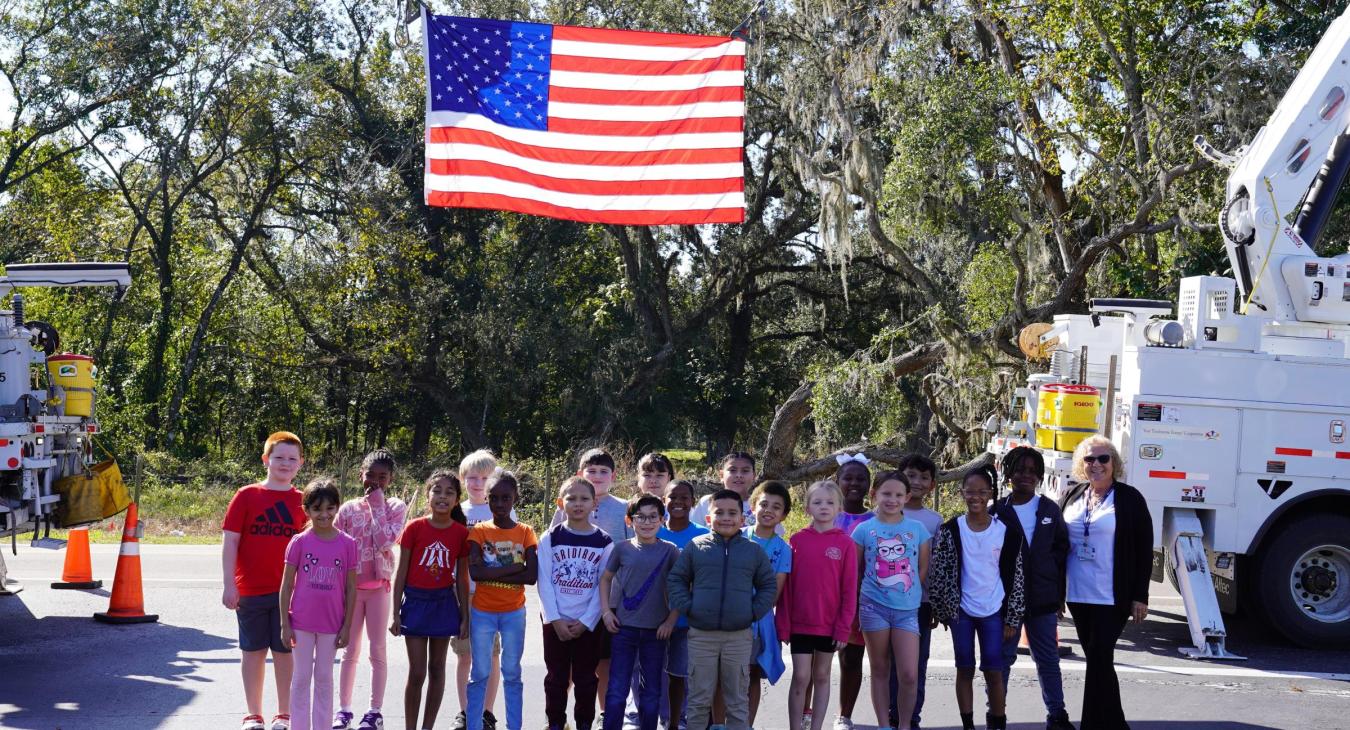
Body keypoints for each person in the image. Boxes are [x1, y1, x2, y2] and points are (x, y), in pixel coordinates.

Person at [1059, 435, 1152, 730]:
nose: (1096, 464)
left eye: (1103, 458)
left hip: (1113, 596)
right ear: (1080, 464)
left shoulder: (1130, 499)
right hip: (1077, 594)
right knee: (1098, 662)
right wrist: (1055, 591)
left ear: (1114, 463)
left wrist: (1140, 595)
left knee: (1099, 656)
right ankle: (1113, 724)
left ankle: (1094, 725)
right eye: (1089, 459)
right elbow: (1059, 546)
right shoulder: (1072, 496)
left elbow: (1143, 549)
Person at [667, 489, 777, 730]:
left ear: (742, 518)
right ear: (708, 518)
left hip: (738, 637)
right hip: (701, 636)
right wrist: (689, 608)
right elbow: (676, 580)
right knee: (698, 700)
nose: (725, 518)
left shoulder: (753, 551)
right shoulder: (696, 547)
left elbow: (768, 585)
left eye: (732, 513)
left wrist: (752, 613)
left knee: (737, 701)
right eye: (719, 513)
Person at [222, 431, 309, 730]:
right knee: (253, 652)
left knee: (285, 653)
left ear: (301, 463)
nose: (285, 463)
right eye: (279, 457)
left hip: (292, 594)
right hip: (250, 590)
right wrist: (229, 584)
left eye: (292, 459)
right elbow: (230, 541)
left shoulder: (304, 501)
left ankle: (284, 714)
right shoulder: (247, 495)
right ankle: (253, 714)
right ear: (266, 460)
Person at [929, 466, 1025, 730]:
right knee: (965, 668)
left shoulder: (1006, 533)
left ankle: (997, 721)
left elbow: (1016, 578)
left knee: (994, 670)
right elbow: (940, 571)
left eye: (982, 492)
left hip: (994, 610)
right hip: (962, 611)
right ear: (961, 493)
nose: (976, 497)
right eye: (970, 491)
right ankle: (968, 724)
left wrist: (1012, 617)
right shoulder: (951, 530)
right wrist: (943, 608)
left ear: (991, 494)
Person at [549, 448, 635, 718]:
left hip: (608, 603)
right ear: (579, 474)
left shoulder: (623, 508)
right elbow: (551, 554)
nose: (597, 477)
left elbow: (633, 550)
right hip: (568, 602)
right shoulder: (564, 508)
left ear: (614, 476)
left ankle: (601, 714)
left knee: (601, 662)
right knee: (565, 668)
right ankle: (558, 717)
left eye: (603, 472)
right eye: (591, 471)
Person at [994, 447, 1073, 730]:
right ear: (1008, 474)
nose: (1025, 475)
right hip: (1006, 603)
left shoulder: (1049, 509)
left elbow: (1062, 554)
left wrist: (1059, 595)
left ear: (1039, 476)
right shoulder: (997, 511)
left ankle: (1057, 715)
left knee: (1048, 660)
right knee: (1002, 660)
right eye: (1019, 470)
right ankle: (997, 715)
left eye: (1031, 471)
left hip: (1042, 599)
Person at [334, 449, 408, 730]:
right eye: (370, 475)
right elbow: (336, 545)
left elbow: (385, 542)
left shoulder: (395, 507)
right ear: (360, 475)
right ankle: (343, 710)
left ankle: (374, 711)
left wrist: (377, 505)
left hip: (379, 589)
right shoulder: (348, 508)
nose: (375, 482)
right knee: (349, 649)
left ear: (390, 479)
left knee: (377, 650)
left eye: (382, 477)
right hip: (351, 590)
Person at [390, 471, 471, 730]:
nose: (442, 497)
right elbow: (400, 572)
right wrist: (395, 613)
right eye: (437, 490)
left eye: (449, 492)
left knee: (437, 669)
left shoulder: (460, 533)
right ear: (428, 495)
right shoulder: (414, 527)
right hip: (415, 604)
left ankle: (427, 727)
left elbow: (461, 579)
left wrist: (464, 616)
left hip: (443, 605)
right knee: (417, 672)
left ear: (457, 500)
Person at [853, 471, 930, 730]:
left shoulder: (917, 530)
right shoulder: (863, 530)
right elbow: (856, 570)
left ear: (907, 497)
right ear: (874, 494)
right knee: (880, 669)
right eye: (886, 493)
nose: (892, 499)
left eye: (898, 495)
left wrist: (907, 592)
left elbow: (921, 569)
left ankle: (905, 724)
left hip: (908, 610)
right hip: (873, 607)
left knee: (909, 674)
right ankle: (885, 725)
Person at [279, 479, 358, 730]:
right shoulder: (299, 542)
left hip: (331, 625)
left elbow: (351, 588)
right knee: (301, 679)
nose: (324, 515)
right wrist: (284, 624)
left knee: (324, 678)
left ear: (337, 508)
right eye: (317, 509)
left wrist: (347, 627)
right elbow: (286, 585)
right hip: (300, 623)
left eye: (330, 508)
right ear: (307, 510)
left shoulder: (348, 544)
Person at [779, 480, 858, 730]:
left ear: (839, 508)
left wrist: (843, 628)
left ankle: (816, 726)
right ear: (807, 508)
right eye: (817, 502)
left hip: (829, 626)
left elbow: (849, 590)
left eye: (830, 502)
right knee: (801, 676)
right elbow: (787, 588)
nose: (824, 507)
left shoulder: (845, 543)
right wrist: (783, 624)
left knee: (822, 676)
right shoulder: (796, 541)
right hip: (800, 625)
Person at [538, 477, 615, 730]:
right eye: (571, 498)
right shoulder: (550, 538)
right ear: (561, 503)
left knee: (585, 678)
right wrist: (555, 619)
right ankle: (556, 722)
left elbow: (603, 585)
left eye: (584, 499)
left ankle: (584, 722)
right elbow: (544, 581)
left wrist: (585, 621)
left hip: (587, 623)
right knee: (556, 678)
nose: (578, 504)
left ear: (595, 504)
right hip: (555, 621)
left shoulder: (604, 542)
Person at [600, 494, 680, 730]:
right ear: (629, 521)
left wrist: (671, 620)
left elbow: (682, 588)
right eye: (640, 517)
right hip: (623, 630)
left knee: (652, 691)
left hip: (656, 633)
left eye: (652, 517)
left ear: (662, 520)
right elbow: (605, 580)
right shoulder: (622, 549)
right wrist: (606, 612)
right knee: (617, 689)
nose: (646, 522)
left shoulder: (670, 551)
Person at [467, 472, 538, 730]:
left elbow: (531, 576)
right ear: (486, 499)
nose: (499, 504)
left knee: (512, 672)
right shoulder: (478, 531)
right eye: (493, 498)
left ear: (515, 498)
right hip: (483, 612)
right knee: (479, 673)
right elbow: (476, 573)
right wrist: (514, 570)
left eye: (505, 498)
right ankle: (473, 725)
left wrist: (493, 573)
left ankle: (514, 725)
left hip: (513, 613)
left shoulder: (526, 532)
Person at [811, 454, 872, 730]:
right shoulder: (825, 515)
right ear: (837, 482)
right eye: (848, 478)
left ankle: (843, 715)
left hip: (857, 601)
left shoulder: (875, 520)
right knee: (814, 660)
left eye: (861, 478)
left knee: (850, 659)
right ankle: (806, 711)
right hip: (822, 599)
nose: (854, 483)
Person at [456, 450, 509, 730]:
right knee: (465, 655)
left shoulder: (503, 512)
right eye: (472, 478)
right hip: (463, 595)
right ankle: (466, 714)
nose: (478, 483)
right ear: (463, 479)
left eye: (485, 478)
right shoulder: (457, 511)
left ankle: (486, 713)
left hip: (493, 595)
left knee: (490, 656)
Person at [657, 480, 709, 730]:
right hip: (654, 616)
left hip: (689, 618)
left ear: (693, 501)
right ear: (663, 500)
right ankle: (663, 717)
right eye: (672, 497)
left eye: (684, 497)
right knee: (656, 673)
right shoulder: (653, 530)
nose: (678, 502)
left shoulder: (702, 535)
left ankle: (681, 718)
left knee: (682, 673)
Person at [898, 454, 943, 730]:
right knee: (889, 664)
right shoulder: (886, 511)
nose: (916, 482)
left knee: (917, 664)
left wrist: (936, 604)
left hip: (921, 603)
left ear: (933, 485)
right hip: (884, 603)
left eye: (924, 477)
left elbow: (936, 566)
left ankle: (912, 717)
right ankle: (891, 715)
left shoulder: (935, 520)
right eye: (911, 475)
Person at [743, 481, 791, 727]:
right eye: (763, 504)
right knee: (725, 674)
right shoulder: (737, 537)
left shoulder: (784, 549)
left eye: (776, 507)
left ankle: (747, 724)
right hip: (729, 617)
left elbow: (775, 591)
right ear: (752, 507)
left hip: (759, 620)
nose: (768, 510)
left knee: (752, 673)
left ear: (784, 515)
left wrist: (753, 609)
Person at [688, 452, 770, 532]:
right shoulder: (707, 502)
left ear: (754, 476)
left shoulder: (763, 505)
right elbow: (692, 533)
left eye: (745, 471)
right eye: (732, 470)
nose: (739, 475)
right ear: (721, 475)